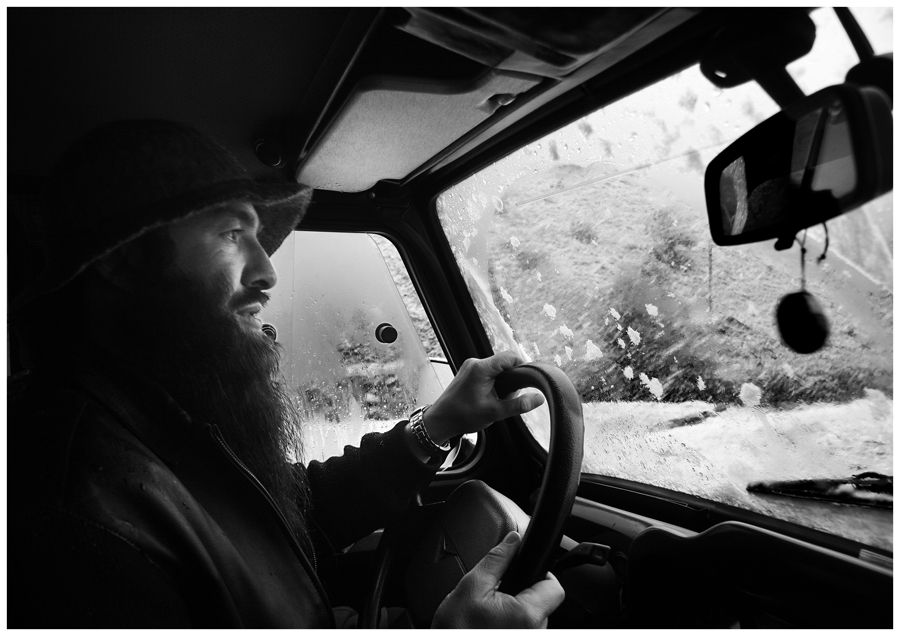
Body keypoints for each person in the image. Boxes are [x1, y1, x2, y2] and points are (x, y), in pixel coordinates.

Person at [7, 120, 565, 628]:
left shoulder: (154, 412)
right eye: (231, 234)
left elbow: (285, 520)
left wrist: (439, 424)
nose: (267, 270)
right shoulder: (69, 518)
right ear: (123, 260)